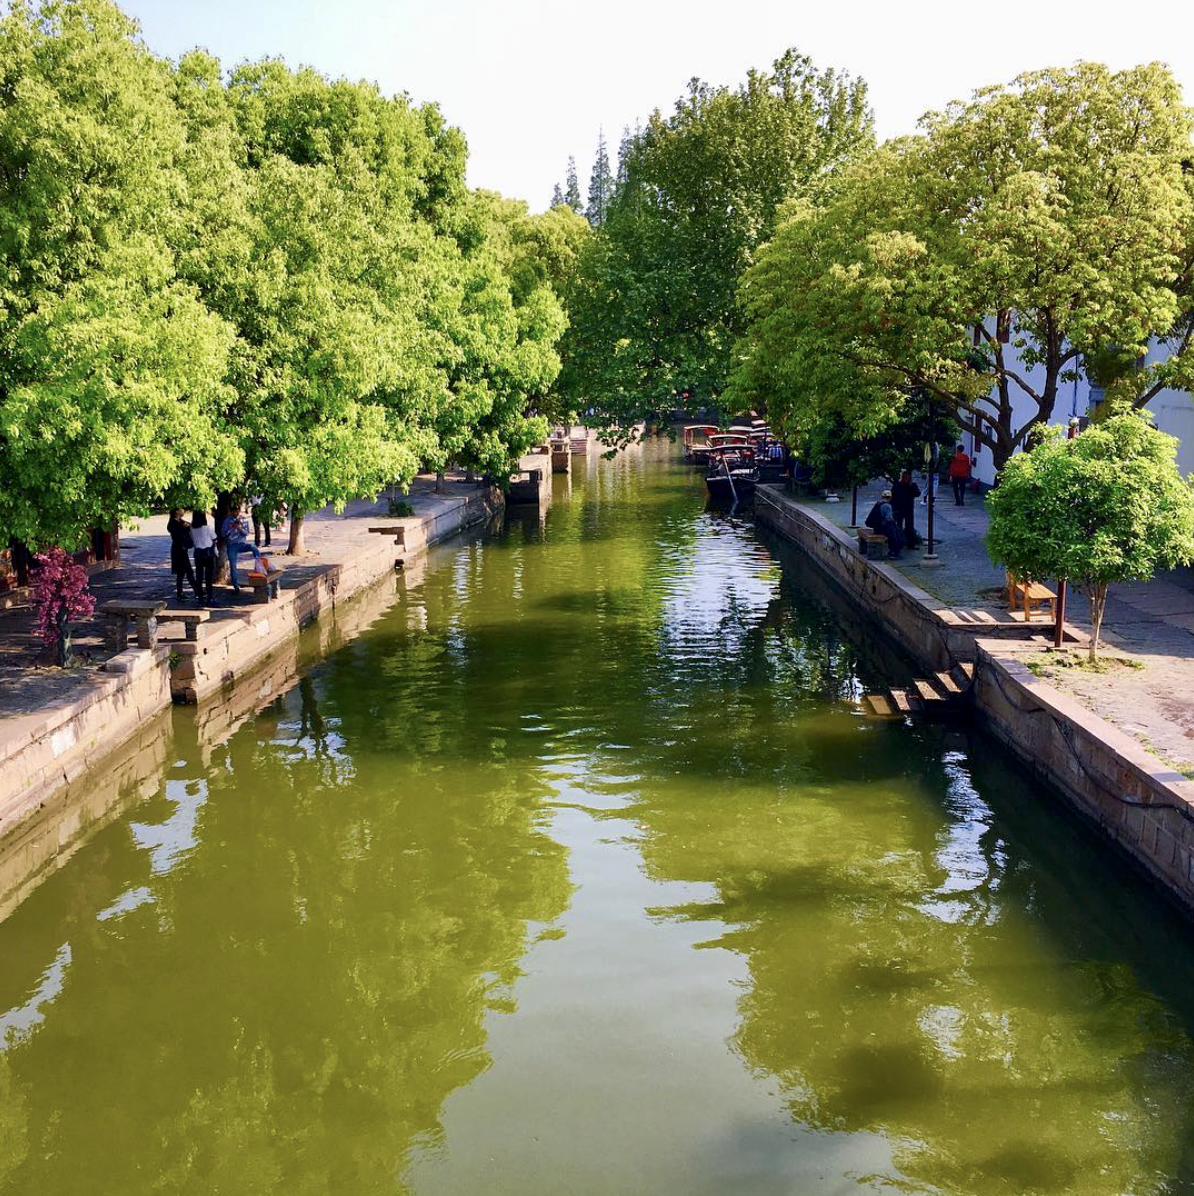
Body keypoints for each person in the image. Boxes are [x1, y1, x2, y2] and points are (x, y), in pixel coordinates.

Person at [221, 504, 264, 593]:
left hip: (242, 543)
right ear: (231, 512)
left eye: (238, 511)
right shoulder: (227, 521)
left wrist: (240, 528)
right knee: (233, 565)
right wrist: (231, 528)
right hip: (232, 545)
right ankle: (235, 585)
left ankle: (259, 566)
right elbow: (223, 534)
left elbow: (246, 533)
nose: (236, 513)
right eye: (234, 512)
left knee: (254, 547)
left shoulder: (243, 519)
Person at [166, 510, 201, 602]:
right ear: (176, 511)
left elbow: (189, 526)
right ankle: (193, 591)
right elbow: (178, 531)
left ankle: (193, 591)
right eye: (181, 510)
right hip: (178, 550)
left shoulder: (180, 521)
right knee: (183, 572)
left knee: (185, 572)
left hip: (182, 549)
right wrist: (185, 527)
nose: (183, 511)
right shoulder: (173, 523)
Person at [864, 490, 905, 559]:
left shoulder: (878, 504)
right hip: (883, 528)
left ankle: (893, 551)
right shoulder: (887, 506)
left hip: (877, 528)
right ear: (890, 497)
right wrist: (895, 520)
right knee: (896, 535)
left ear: (882, 496)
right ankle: (894, 553)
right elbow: (889, 518)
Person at [190, 509, 217, 606]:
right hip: (208, 553)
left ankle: (200, 599)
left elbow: (192, 540)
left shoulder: (192, 529)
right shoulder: (207, 528)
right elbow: (214, 538)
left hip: (198, 553)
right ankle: (210, 599)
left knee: (199, 577)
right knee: (209, 578)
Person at [891, 470, 922, 546]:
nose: (906, 480)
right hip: (899, 508)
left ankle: (910, 543)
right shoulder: (897, 485)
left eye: (907, 478)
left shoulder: (912, 485)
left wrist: (911, 486)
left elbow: (917, 494)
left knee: (909, 527)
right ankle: (899, 542)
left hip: (908, 509)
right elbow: (893, 496)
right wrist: (894, 507)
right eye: (905, 478)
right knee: (899, 526)